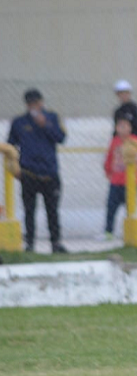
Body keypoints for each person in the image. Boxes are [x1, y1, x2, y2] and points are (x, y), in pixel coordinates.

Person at [6, 88, 67, 253]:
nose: (34, 106)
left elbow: (61, 138)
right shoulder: (19, 122)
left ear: (41, 102)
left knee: (52, 211)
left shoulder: (52, 117)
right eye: (30, 104)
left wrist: (45, 124)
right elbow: (10, 145)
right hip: (28, 173)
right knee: (29, 211)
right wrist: (14, 166)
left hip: (50, 173)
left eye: (36, 103)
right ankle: (30, 244)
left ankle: (55, 243)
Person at [102, 115, 137, 240]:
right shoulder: (115, 141)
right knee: (111, 207)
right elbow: (109, 157)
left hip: (132, 181)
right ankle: (108, 232)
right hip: (116, 181)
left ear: (130, 128)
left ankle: (130, 233)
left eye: (125, 126)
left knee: (131, 209)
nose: (122, 128)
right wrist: (108, 171)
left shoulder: (135, 140)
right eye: (120, 126)